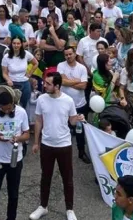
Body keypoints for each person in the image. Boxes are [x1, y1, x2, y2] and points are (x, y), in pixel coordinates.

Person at [30, 72, 84, 220]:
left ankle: (70, 209)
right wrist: (36, 142)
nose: (44, 85)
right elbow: (39, 121)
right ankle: (43, 206)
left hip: (64, 145)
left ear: (57, 86)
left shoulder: (68, 101)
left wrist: (78, 118)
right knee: (45, 177)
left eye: (48, 83)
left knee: (67, 178)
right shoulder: (41, 99)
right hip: (46, 144)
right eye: (45, 83)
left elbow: (72, 121)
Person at [0, 90, 30, 220]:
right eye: (4, 110)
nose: (7, 112)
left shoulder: (22, 112)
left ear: (13, 104)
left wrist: (18, 138)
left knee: (13, 195)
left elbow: (27, 133)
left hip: (15, 159)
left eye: (9, 109)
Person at [57, 46, 90, 163]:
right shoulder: (61, 66)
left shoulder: (82, 68)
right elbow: (62, 81)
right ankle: (62, 153)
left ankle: (82, 152)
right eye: (66, 55)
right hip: (64, 105)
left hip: (80, 104)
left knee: (80, 131)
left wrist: (67, 82)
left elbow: (84, 86)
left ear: (75, 54)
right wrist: (77, 80)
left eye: (70, 54)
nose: (68, 57)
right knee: (63, 129)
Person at [2, 36, 38, 109]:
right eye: (14, 43)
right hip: (13, 84)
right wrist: (8, 80)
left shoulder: (26, 54)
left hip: (25, 83)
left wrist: (29, 74)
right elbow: (4, 73)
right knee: (13, 105)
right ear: (11, 44)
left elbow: (36, 63)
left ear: (21, 44)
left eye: (18, 43)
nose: (16, 45)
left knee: (25, 105)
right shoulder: (6, 57)